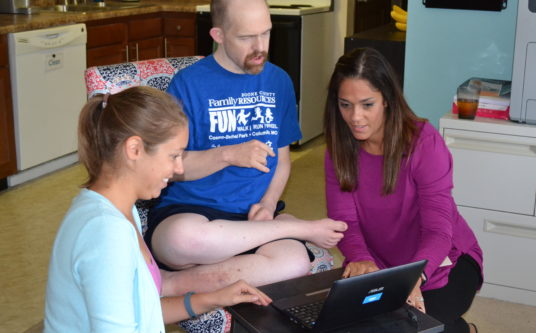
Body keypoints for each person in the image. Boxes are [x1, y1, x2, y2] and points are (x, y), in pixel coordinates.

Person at [143, 0, 347, 294]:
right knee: (180, 240)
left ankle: (173, 285)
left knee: (295, 263)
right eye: (246, 37)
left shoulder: (279, 81)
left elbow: (283, 159)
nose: (260, 46)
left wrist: (268, 203)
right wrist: (227, 154)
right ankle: (293, 228)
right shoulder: (188, 84)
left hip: (254, 216)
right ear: (218, 35)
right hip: (190, 211)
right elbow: (171, 168)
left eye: (265, 33)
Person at [44, 87, 272, 332]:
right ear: (134, 149)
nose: (179, 169)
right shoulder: (106, 233)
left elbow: (142, 310)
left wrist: (214, 298)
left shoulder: (117, 208)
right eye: (173, 155)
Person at [323, 48, 483, 333]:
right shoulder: (338, 148)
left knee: (398, 328)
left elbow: (438, 230)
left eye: (367, 104)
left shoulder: (424, 143)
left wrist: (412, 278)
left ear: (387, 100)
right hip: (379, 264)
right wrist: (361, 259)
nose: (355, 117)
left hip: (443, 264)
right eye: (345, 104)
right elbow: (344, 221)